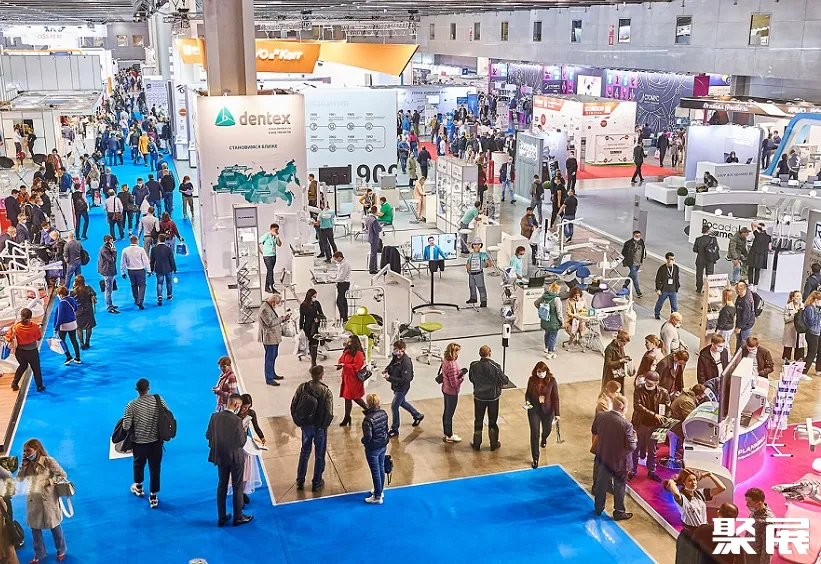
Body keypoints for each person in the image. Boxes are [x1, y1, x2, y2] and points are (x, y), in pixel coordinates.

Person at [206, 394, 253, 527]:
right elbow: (241, 442)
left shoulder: (214, 417)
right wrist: (244, 431)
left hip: (220, 456)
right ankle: (238, 517)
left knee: (222, 485)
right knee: (237, 486)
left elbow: (208, 435)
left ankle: (221, 517)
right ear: (237, 405)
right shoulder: (237, 421)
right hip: (235, 458)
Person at [17, 439, 67, 562]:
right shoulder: (26, 463)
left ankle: (61, 549)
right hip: (33, 500)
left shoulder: (48, 461)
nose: (26, 453)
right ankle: (39, 554)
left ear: (37, 449)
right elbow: (19, 479)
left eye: (28, 450)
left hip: (48, 499)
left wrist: (49, 482)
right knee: (35, 529)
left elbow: (62, 475)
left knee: (54, 526)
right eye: (24, 451)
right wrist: (23, 466)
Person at [123, 378, 169, 509]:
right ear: (148, 388)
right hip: (156, 442)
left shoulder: (131, 405)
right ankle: (153, 496)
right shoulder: (158, 400)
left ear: (136, 390)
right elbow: (167, 415)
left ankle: (138, 487)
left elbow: (126, 426)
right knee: (155, 469)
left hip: (139, 443)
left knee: (139, 465)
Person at [664, 468, 727, 563]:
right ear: (683, 483)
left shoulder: (700, 493)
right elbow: (676, 494)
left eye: (694, 480)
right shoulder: (682, 497)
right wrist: (672, 483)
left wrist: (709, 475)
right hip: (689, 535)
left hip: (704, 534)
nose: (693, 482)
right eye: (690, 480)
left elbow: (722, 488)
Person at [591, 394, 636, 521]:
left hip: (603, 456)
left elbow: (594, 430)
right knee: (619, 485)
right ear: (623, 408)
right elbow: (631, 446)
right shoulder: (626, 425)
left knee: (601, 483)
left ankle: (598, 507)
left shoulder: (601, 416)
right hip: (620, 461)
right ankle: (619, 511)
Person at [292, 366, 334, 492]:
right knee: (319, 454)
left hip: (306, 425)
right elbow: (329, 412)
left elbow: (294, 405)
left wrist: (299, 422)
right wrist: (323, 426)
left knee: (304, 452)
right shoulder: (326, 391)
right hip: (319, 427)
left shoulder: (302, 387)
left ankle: (300, 480)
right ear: (322, 375)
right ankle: (316, 482)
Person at [628, 371, 669, 482]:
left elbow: (667, 408)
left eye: (651, 383)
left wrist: (664, 419)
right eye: (647, 382)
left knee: (652, 451)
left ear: (657, 383)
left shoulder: (663, 392)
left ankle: (652, 471)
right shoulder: (639, 389)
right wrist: (654, 415)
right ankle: (632, 470)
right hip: (640, 424)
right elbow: (637, 406)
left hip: (655, 426)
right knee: (635, 449)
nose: (648, 384)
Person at [468, 345, 510, 450]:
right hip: (493, 398)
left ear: (479, 354)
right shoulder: (495, 366)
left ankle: (476, 443)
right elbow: (504, 380)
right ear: (490, 353)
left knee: (478, 420)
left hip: (479, 397)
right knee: (492, 421)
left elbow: (471, 378)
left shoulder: (473, 365)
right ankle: (493, 444)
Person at [384, 340, 423, 438]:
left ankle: (394, 429)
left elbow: (406, 379)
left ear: (402, 350)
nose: (394, 351)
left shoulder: (406, 362)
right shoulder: (396, 356)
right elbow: (392, 364)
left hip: (402, 388)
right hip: (396, 385)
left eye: (396, 349)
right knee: (402, 402)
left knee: (394, 406)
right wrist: (387, 369)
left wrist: (390, 378)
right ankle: (417, 415)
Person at [525, 361, 560, 469]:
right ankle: (535, 458)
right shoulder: (532, 380)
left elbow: (555, 397)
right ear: (536, 372)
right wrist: (527, 402)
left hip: (548, 410)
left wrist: (557, 413)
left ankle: (544, 438)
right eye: (539, 372)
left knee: (547, 430)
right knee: (535, 434)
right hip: (534, 410)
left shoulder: (552, 381)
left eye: (543, 372)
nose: (541, 374)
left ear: (546, 371)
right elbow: (528, 394)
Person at [7, 307, 44, 392]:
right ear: (30, 317)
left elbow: (8, 338)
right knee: (36, 368)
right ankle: (39, 386)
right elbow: (39, 338)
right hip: (32, 351)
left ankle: (15, 383)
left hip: (19, 352)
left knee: (23, 366)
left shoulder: (15, 327)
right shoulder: (34, 326)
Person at [361, 393, 389, 505]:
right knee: (381, 468)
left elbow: (368, 437)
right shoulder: (384, 413)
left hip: (373, 448)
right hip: (383, 445)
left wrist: (363, 441)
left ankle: (377, 496)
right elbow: (386, 429)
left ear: (368, 404)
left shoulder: (367, 420)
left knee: (375, 471)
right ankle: (380, 490)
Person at [337, 335, 367, 427]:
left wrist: (345, 365)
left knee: (355, 397)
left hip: (354, 379)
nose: (348, 343)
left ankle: (368, 410)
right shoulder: (346, 351)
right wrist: (339, 364)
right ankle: (347, 417)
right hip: (346, 378)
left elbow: (357, 366)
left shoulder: (359, 354)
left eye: (350, 342)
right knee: (347, 398)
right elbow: (341, 359)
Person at [440, 342, 466, 443]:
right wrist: (461, 378)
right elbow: (454, 383)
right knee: (449, 413)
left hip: (445, 389)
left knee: (446, 411)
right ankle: (449, 435)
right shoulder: (452, 365)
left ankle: (446, 432)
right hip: (451, 392)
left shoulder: (445, 361)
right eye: (457, 352)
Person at [258, 293, 285, 386]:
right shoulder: (265, 309)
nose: (276, 305)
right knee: (269, 358)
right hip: (269, 337)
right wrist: (281, 319)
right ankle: (269, 378)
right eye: (276, 303)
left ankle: (272, 374)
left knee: (274, 356)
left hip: (274, 337)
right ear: (273, 301)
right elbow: (269, 323)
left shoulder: (269, 307)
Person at [744, 487, 775, 564]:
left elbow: (767, 548)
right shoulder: (755, 511)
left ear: (759, 503)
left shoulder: (768, 521)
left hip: (756, 557)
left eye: (749, 503)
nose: (746, 505)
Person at [120, 235, 151, 310]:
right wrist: (149, 270)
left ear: (130, 241)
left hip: (130, 270)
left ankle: (136, 299)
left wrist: (122, 272)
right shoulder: (141, 250)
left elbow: (123, 262)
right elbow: (145, 260)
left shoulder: (125, 250)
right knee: (142, 285)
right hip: (140, 270)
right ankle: (140, 300)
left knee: (133, 285)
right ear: (137, 241)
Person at [53, 285, 80, 366]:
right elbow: (76, 308)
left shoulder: (62, 303)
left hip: (64, 325)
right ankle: (78, 357)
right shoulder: (72, 299)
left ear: (61, 294)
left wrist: (56, 328)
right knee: (74, 340)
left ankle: (68, 356)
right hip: (73, 323)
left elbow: (60, 317)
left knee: (61, 340)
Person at [537, 281, 563, 359]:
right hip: (553, 320)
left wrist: (542, 310)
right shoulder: (556, 299)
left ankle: (546, 347)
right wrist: (562, 321)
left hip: (545, 319)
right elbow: (559, 312)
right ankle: (550, 352)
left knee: (547, 333)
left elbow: (536, 303)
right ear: (557, 290)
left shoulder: (544, 296)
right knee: (553, 336)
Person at [70, 275, 96, 350]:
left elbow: (71, 300)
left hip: (78, 311)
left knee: (79, 328)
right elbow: (94, 294)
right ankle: (87, 342)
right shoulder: (88, 288)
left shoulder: (73, 291)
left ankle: (81, 343)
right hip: (88, 310)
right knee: (89, 327)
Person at [299, 289, 324, 367]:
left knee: (315, 343)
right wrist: (300, 328)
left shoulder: (317, 304)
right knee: (312, 343)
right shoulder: (303, 305)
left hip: (316, 326)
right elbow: (302, 318)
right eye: (313, 296)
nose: (314, 298)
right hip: (308, 327)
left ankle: (314, 360)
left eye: (315, 296)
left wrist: (318, 318)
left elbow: (321, 314)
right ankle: (313, 360)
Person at [465, 236, 492, 307]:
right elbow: (468, 263)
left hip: (478, 274)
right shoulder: (470, 255)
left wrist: (485, 264)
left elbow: (489, 264)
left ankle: (483, 301)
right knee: (471, 286)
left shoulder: (483, 255)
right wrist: (467, 268)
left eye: (478, 244)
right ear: (472, 245)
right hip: (471, 274)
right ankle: (473, 298)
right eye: (475, 244)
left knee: (481, 287)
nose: (476, 246)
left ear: (481, 245)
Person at [150, 234, 176, 306]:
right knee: (169, 282)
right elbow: (171, 260)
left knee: (159, 283)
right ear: (165, 240)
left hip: (158, 269)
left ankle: (159, 297)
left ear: (158, 239)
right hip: (168, 268)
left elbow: (152, 261)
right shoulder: (168, 249)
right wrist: (174, 269)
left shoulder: (153, 249)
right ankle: (169, 295)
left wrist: (151, 269)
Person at [654, 252, 681, 320]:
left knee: (674, 306)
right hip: (664, 289)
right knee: (660, 302)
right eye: (671, 259)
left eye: (673, 259)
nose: (672, 260)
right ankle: (657, 313)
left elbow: (676, 278)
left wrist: (677, 287)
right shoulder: (662, 268)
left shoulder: (676, 268)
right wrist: (658, 289)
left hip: (673, 289)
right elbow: (658, 279)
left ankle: (674, 318)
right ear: (667, 259)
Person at [693, 225, 719, 293]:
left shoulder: (698, 239)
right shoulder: (713, 239)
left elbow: (694, 249)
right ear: (708, 231)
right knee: (709, 274)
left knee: (699, 274)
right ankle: (707, 289)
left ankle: (699, 288)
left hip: (700, 259)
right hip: (710, 259)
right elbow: (716, 249)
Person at [783, 290, 806, 362]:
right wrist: (795, 315)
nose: (799, 298)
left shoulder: (804, 306)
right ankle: (786, 360)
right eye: (797, 296)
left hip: (800, 329)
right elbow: (786, 319)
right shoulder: (788, 306)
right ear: (793, 298)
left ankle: (799, 360)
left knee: (800, 345)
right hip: (790, 329)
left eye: (800, 296)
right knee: (788, 345)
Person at [621, 230, 646, 298]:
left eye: (639, 236)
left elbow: (643, 250)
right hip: (632, 263)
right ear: (633, 235)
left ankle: (625, 285)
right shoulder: (628, 244)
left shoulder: (641, 242)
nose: (638, 237)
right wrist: (626, 261)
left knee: (631, 275)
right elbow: (624, 253)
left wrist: (643, 258)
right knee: (635, 278)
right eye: (636, 236)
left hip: (638, 263)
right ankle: (638, 292)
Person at [802, 291, 821, 376]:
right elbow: (811, 321)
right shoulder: (810, 308)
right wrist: (819, 313)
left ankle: (803, 371)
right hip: (811, 333)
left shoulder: (814, 308)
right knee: (811, 353)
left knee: (813, 352)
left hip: (816, 332)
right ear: (816, 299)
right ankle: (803, 372)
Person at [746, 222, 771, 286]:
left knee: (750, 269)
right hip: (761, 256)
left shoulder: (757, 234)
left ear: (758, 228)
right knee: (757, 271)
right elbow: (769, 248)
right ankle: (755, 285)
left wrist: (760, 227)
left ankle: (750, 284)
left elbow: (752, 224)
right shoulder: (768, 237)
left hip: (753, 255)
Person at [734, 282, 756, 352]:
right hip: (740, 321)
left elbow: (746, 317)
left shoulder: (746, 301)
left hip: (746, 325)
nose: (735, 290)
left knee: (744, 342)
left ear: (740, 290)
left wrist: (739, 327)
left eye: (736, 289)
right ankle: (737, 355)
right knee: (739, 341)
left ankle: (742, 355)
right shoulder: (743, 294)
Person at [331, 251, 351, 322]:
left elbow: (341, 277)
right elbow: (339, 273)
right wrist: (334, 277)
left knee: (339, 302)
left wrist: (333, 280)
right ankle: (345, 317)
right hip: (340, 283)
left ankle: (342, 317)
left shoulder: (345, 264)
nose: (336, 261)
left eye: (336, 259)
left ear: (339, 257)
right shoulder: (341, 263)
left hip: (344, 284)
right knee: (343, 301)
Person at [365, 206, 382, 274]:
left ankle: (374, 267)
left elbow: (366, 227)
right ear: (376, 211)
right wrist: (380, 227)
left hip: (370, 237)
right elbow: (377, 229)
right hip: (374, 238)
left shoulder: (368, 218)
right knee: (374, 254)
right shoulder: (374, 220)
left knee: (373, 253)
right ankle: (372, 269)